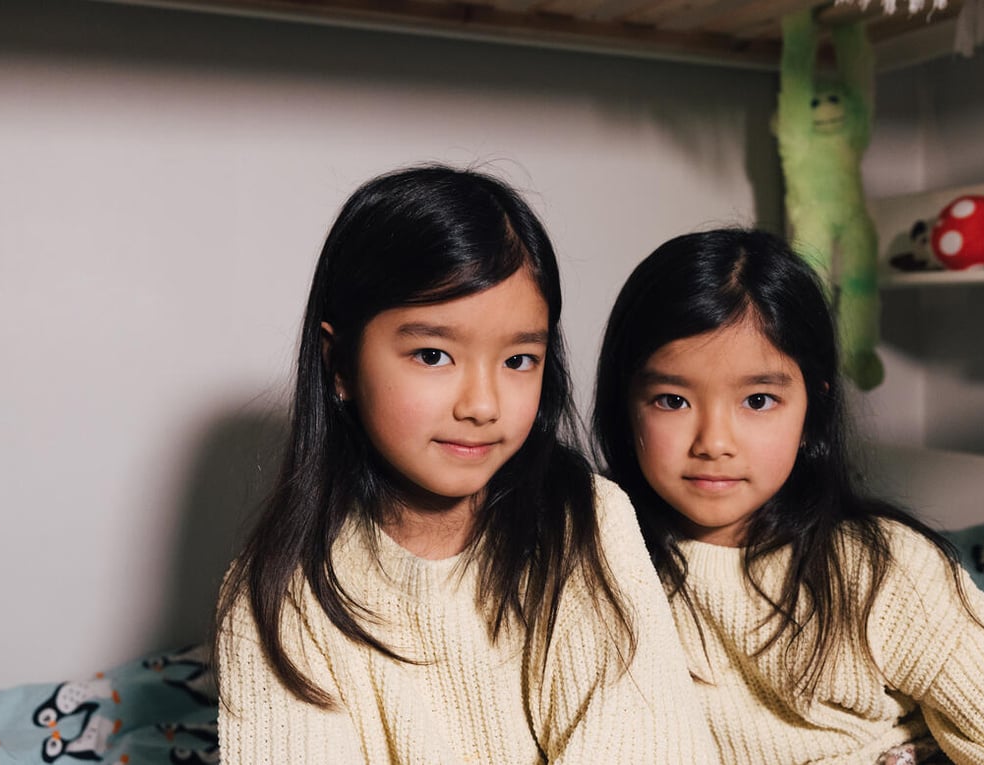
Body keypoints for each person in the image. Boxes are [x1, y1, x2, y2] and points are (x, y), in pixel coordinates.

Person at [215, 165, 714, 764]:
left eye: (519, 360)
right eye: (433, 354)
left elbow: (647, 746)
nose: (482, 405)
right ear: (339, 365)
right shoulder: (276, 592)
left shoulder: (586, 520)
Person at [591, 227, 984, 764]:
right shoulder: (595, 565)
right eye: (671, 400)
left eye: (758, 401)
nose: (713, 443)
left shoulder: (882, 566)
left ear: (812, 408)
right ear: (626, 403)